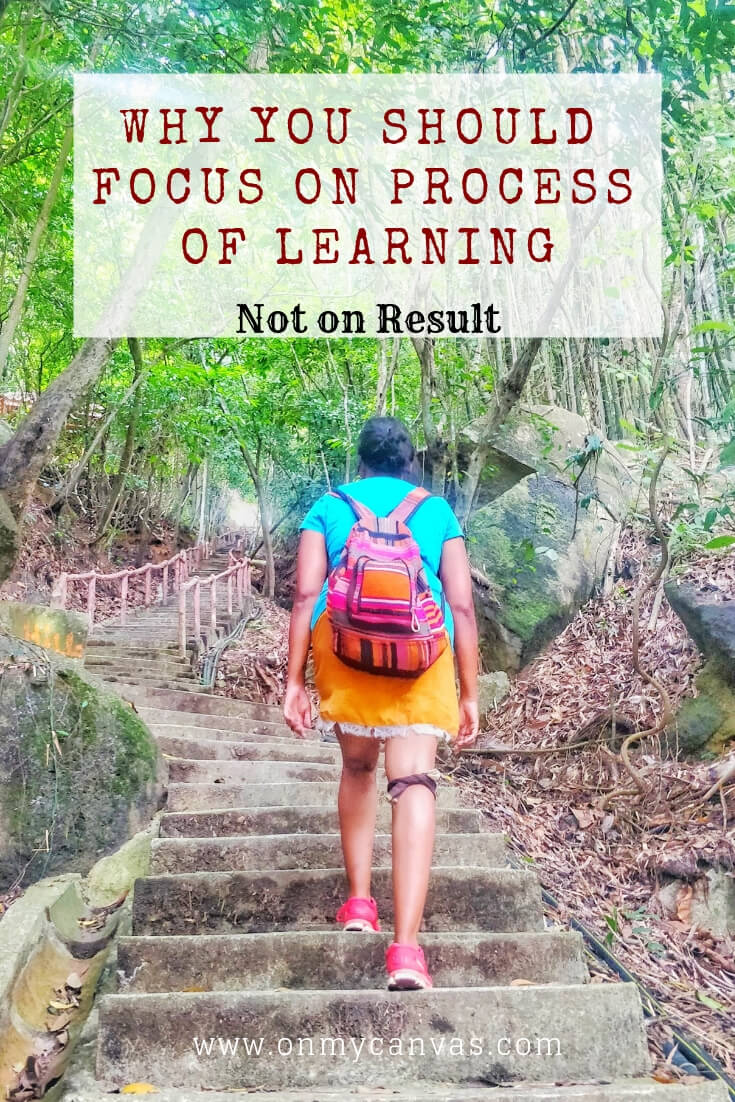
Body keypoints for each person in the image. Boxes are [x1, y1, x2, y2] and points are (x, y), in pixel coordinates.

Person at [283, 415, 479, 990]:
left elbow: (304, 594)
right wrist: (470, 690)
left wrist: (293, 680)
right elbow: (462, 607)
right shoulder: (438, 512)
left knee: (358, 767)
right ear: (409, 462)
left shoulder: (329, 505)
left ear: (360, 462)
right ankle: (407, 951)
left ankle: (361, 905)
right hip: (422, 658)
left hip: (344, 652)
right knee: (413, 782)